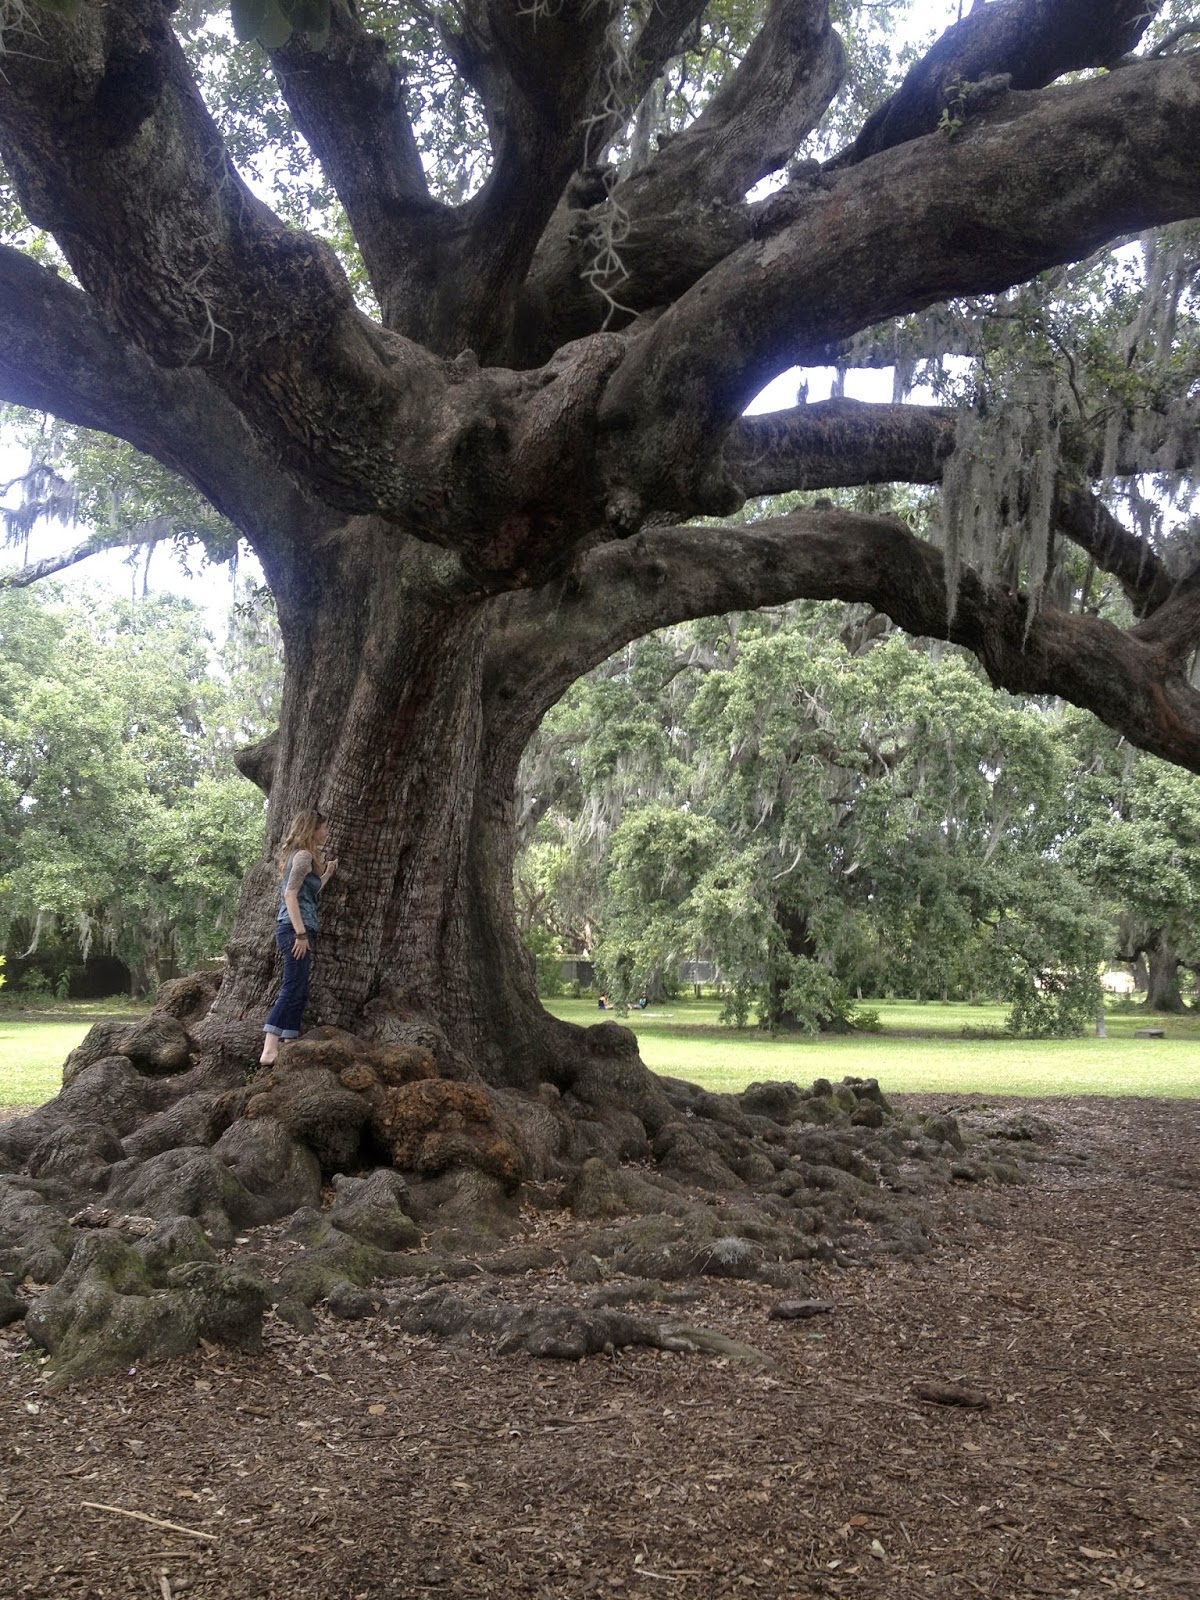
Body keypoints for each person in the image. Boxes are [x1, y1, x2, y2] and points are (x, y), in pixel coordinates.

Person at [260, 809, 338, 1065]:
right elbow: (290, 896)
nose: (327, 832)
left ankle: (289, 1041)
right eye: (324, 828)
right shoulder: (303, 856)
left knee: (301, 988)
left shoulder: (306, 859)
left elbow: (308, 896)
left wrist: (325, 876)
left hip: (302, 929)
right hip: (294, 930)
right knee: (292, 987)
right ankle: (269, 1049)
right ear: (312, 830)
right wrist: (301, 933)